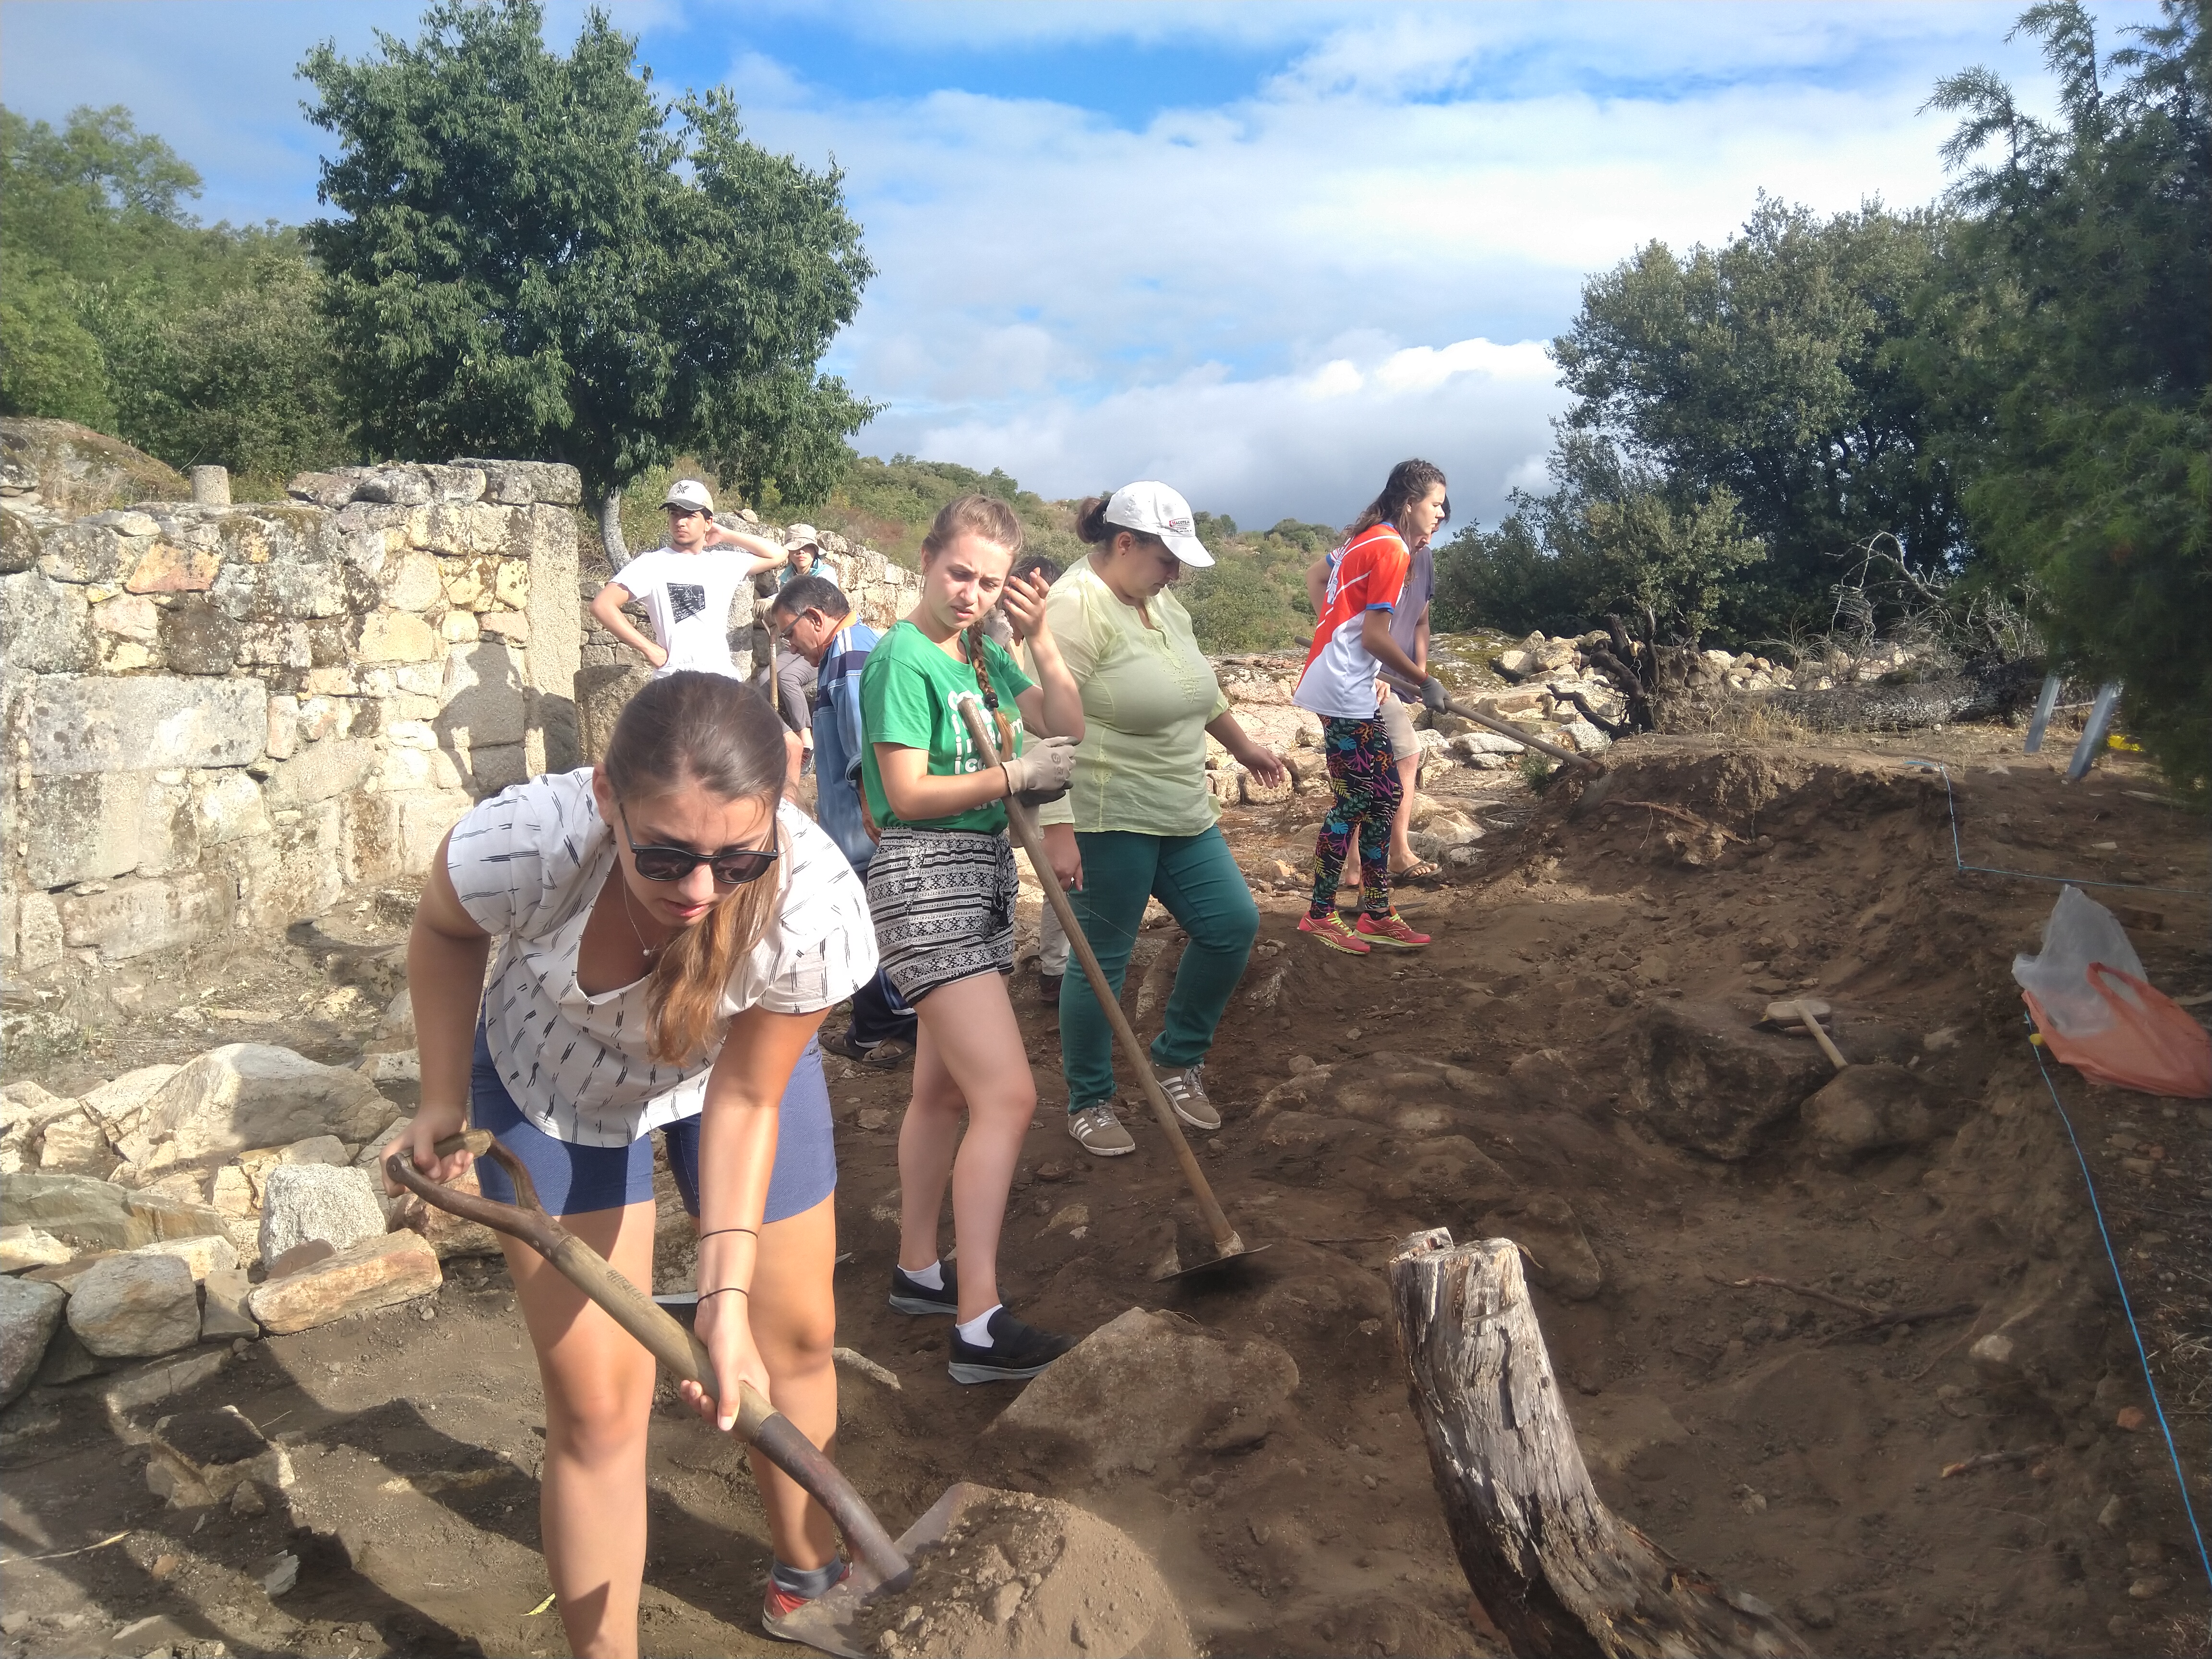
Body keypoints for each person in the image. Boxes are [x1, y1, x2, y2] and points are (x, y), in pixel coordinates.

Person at [398, 672, 879, 1655]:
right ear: (606, 798)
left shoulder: (814, 904)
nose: (700, 892)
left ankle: (808, 1579)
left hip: (728, 1079)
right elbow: (443, 931)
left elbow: (749, 1100)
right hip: (552, 1087)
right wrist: (443, 1097)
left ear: (782, 803)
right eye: (664, 856)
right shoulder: (526, 841)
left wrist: (724, 1299)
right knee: (599, 1404)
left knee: (789, 1340)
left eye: (734, 860)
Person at [859, 493, 1085, 1382]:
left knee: (943, 1095)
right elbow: (906, 794)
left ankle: (920, 1269)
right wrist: (1012, 774)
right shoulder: (900, 659)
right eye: (960, 573)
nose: (971, 592)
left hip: (984, 878)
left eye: (988, 581)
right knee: (1010, 1097)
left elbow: (1065, 724)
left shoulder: (987, 652)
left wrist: (1044, 644)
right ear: (925, 559)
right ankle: (978, 1321)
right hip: (924, 879)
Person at [1039, 483, 1288, 1156]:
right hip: (1108, 812)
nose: (1176, 572)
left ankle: (1177, 1060)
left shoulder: (1158, 600)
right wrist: (1056, 824)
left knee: (1232, 923)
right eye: (1166, 557)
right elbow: (1032, 721)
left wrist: (1243, 745)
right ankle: (1089, 1099)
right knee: (1103, 964)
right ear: (1125, 544)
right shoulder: (1073, 609)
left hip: (1182, 807)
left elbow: (1195, 688)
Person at [1293, 459, 1453, 955]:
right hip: (1341, 688)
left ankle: (1376, 912)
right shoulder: (1389, 548)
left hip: (1349, 683)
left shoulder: (1369, 538)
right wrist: (1424, 680)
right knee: (1356, 802)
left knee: (1383, 795)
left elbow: (1341, 605)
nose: (1441, 513)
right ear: (1410, 503)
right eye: (1435, 504)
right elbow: (1375, 635)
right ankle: (1320, 914)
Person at [770, 572, 918, 1069]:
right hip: (856, 825)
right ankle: (876, 1024)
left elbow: (864, 748)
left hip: (864, 829)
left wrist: (869, 808)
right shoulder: (849, 650)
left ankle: (892, 1025)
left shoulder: (852, 658)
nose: (791, 644)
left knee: (866, 924)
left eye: (790, 632)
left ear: (815, 618)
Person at [1307, 512, 1445, 879]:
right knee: (1375, 777)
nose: (1437, 525)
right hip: (1359, 679)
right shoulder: (1375, 546)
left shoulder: (1424, 556)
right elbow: (1315, 577)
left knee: (1389, 768)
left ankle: (1373, 868)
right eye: (1435, 508)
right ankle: (1368, 868)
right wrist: (1344, 642)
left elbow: (1421, 619)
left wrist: (1420, 670)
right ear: (1410, 508)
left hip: (1390, 677)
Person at [588, 480, 785, 676]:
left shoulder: (722, 563)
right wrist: (648, 648)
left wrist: (726, 534)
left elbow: (778, 554)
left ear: (708, 522)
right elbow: (602, 605)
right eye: (674, 514)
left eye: (689, 515)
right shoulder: (651, 564)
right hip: (673, 679)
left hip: (720, 677)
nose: (680, 522)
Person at [986, 553, 1070, 1003]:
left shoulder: (1049, 638)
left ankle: (1057, 967)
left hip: (1043, 773)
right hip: (1032, 776)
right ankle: (1056, 970)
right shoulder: (999, 640)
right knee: (1063, 873)